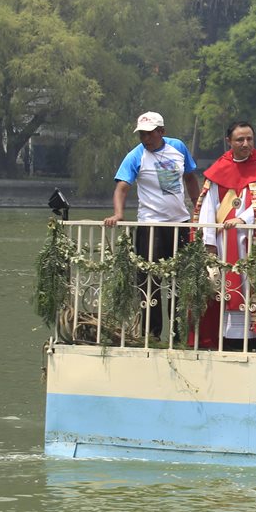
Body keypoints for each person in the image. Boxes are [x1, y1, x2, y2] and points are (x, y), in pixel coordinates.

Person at [191, 122, 256, 353]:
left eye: (249, 139)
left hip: (252, 243)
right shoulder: (219, 169)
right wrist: (208, 242)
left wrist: (244, 220)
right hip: (222, 242)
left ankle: (255, 338)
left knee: (251, 288)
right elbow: (208, 206)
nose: (245, 144)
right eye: (240, 140)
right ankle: (225, 338)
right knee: (224, 288)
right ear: (229, 141)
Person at [103, 112, 201, 341]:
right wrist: (119, 213)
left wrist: (197, 209)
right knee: (149, 280)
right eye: (142, 135)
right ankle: (152, 333)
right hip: (151, 225)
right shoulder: (135, 156)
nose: (146, 139)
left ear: (161, 132)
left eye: (150, 134)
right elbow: (122, 187)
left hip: (180, 223)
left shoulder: (178, 147)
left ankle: (180, 333)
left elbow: (190, 178)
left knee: (181, 279)